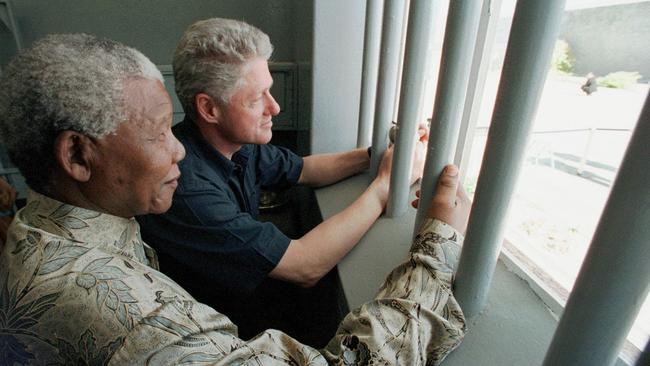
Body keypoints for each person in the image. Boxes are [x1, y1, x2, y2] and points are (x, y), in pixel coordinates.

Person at [0, 34, 468, 365]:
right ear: (78, 155)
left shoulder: (49, 225)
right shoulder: (124, 314)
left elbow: (302, 168)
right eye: (159, 132)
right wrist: (438, 239)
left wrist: (382, 155)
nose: (177, 149)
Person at [136, 18, 429, 343]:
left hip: (250, 302)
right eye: (256, 98)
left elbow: (305, 169)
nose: (274, 107)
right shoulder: (187, 189)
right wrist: (384, 187)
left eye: (270, 91)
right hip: (224, 336)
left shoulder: (234, 144)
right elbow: (305, 266)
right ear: (209, 108)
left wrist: (379, 155)